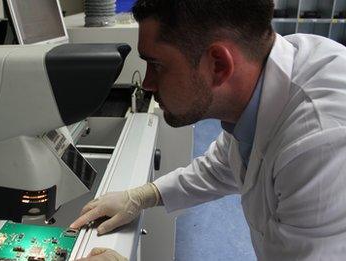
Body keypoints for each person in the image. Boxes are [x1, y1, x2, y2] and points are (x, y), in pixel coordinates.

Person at [72, 0, 346, 260]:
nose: (147, 83)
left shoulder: (320, 142)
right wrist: (143, 196)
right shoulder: (261, 82)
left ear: (219, 65)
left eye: (156, 65)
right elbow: (221, 166)